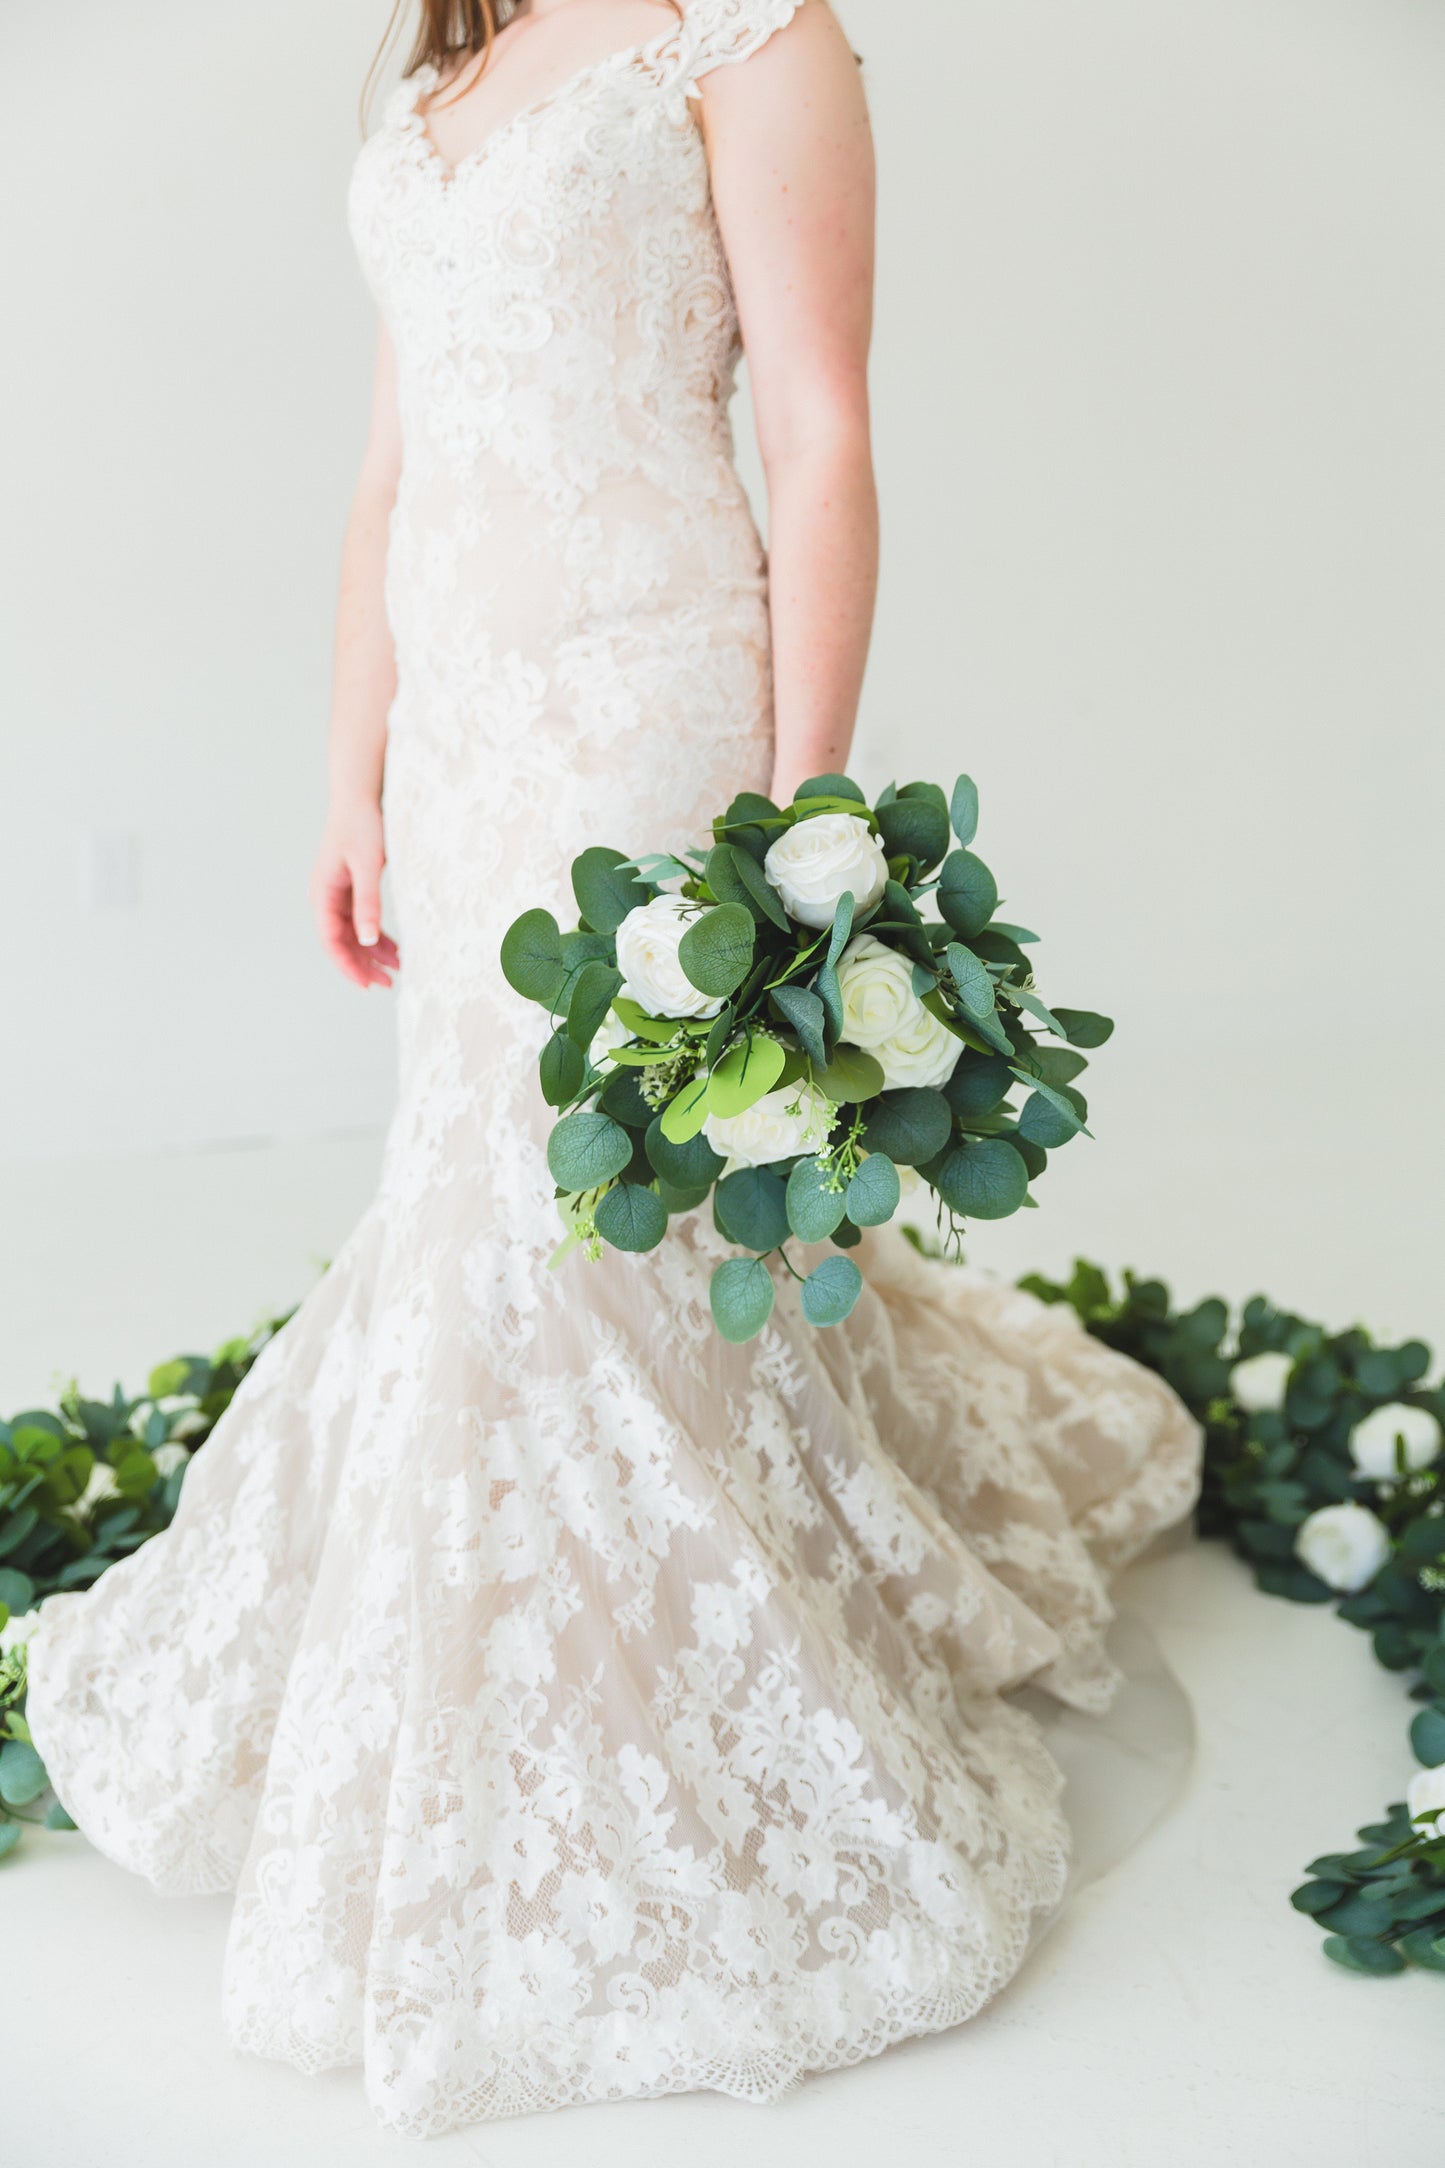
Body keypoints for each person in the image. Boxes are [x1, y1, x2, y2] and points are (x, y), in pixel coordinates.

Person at [25, 0, 1201, 2135]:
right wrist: (349, 763)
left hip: (655, 701)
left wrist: (800, 817)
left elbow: (822, 426)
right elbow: (398, 454)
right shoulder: (441, 63)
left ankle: (652, 1731)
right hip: (467, 732)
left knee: (557, 1220)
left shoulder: (749, 31)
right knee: (509, 1212)